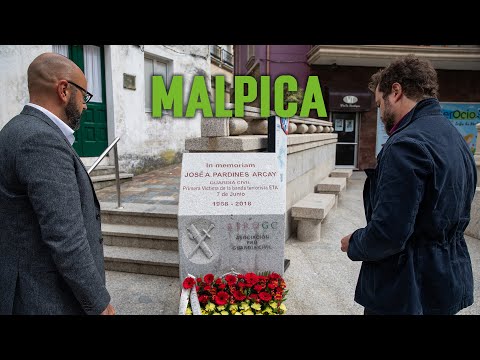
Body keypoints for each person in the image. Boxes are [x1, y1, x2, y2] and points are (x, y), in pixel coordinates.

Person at [340, 54, 476, 315]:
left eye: (380, 104)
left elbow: (389, 233)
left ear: (396, 91)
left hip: (406, 289)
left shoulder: (405, 144)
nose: (380, 114)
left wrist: (354, 243)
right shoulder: (455, 139)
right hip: (446, 281)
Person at [0, 52, 115, 315]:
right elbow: (66, 238)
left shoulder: (15, 129)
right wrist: (99, 302)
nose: (85, 106)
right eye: (84, 96)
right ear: (64, 90)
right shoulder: (40, 140)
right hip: (44, 298)